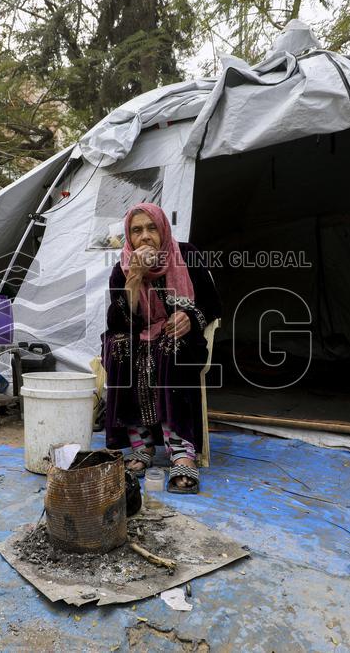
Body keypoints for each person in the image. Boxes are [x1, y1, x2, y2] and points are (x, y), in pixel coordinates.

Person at [102, 203, 221, 494]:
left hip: (180, 338)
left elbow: (212, 303)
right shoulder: (122, 269)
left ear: (163, 229)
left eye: (151, 228)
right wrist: (135, 277)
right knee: (118, 346)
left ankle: (181, 449)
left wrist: (190, 317)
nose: (145, 237)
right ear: (129, 237)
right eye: (137, 230)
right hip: (140, 338)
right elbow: (119, 321)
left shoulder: (187, 254)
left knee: (170, 345)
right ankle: (140, 441)